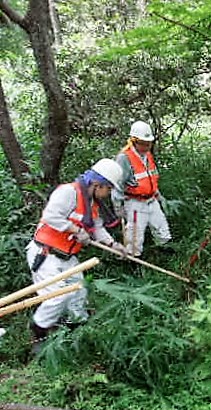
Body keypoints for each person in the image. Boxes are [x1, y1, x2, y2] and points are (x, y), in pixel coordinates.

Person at [27, 159, 128, 353]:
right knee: (56, 297)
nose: (108, 194)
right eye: (108, 189)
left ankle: (77, 331)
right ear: (97, 184)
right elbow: (50, 216)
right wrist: (74, 229)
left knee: (79, 291)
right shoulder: (69, 192)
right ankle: (38, 335)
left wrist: (113, 245)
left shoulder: (93, 203)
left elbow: (97, 227)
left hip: (67, 256)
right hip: (46, 253)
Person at [113, 120, 171, 257]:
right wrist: (118, 206)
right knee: (135, 235)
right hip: (134, 202)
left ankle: (164, 253)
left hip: (151, 199)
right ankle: (133, 261)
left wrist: (158, 195)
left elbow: (151, 177)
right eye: (144, 143)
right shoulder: (124, 158)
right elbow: (117, 184)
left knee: (162, 227)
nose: (147, 146)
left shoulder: (147, 155)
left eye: (148, 143)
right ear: (134, 141)